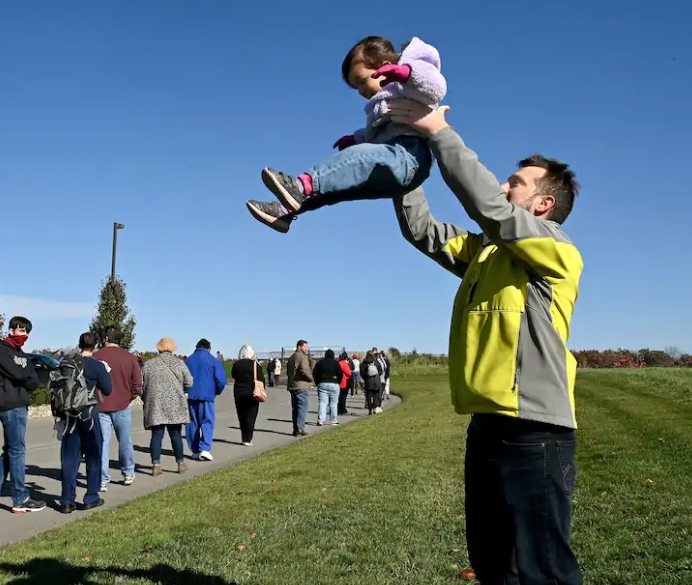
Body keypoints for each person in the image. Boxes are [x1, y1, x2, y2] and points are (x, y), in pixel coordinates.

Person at [388, 99, 584, 584]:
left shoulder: (556, 249)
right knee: (494, 563)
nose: (503, 185)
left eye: (516, 183)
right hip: (486, 428)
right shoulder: (485, 253)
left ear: (543, 204)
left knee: (542, 569)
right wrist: (402, 166)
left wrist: (438, 129)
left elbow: (489, 207)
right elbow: (423, 231)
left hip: (535, 431)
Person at [247, 35, 446, 233]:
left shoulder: (408, 84)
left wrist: (405, 73)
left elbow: (435, 87)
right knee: (336, 186)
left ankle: (300, 185)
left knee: (357, 157)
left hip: (409, 158)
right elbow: (375, 132)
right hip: (392, 169)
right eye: (355, 87)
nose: (359, 91)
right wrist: (356, 138)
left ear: (384, 67)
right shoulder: (381, 105)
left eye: (361, 81)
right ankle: (285, 212)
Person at [0, 316, 45, 514]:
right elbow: (17, 374)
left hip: (21, 403)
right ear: (10, 330)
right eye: (19, 330)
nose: (22, 334)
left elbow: (34, 381)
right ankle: (20, 497)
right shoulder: (0, 350)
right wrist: (23, 375)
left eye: (26, 331)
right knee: (17, 451)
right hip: (9, 405)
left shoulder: (22, 354)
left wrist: (23, 375)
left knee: (11, 450)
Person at [56, 332, 112, 514]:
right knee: (93, 456)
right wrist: (105, 371)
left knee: (70, 458)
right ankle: (91, 496)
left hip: (68, 415)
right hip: (88, 413)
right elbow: (108, 390)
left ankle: (66, 500)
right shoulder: (97, 366)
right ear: (95, 346)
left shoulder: (67, 364)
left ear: (79, 344)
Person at [94, 326, 142, 489]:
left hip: (100, 405)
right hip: (122, 403)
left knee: (102, 442)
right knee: (125, 440)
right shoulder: (129, 357)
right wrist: (132, 396)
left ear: (106, 338)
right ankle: (128, 472)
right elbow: (137, 382)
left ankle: (102, 478)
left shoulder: (96, 356)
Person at [141, 338, 192, 475]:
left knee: (157, 435)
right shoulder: (179, 363)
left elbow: (142, 385)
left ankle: (156, 465)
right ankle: (180, 463)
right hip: (174, 403)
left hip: (155, 403)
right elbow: (189, 382)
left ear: (159, 348)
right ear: (172, 349)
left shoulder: (148, 364)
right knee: (175, 434)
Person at [184, 339, 227, 461]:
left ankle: (195, 449)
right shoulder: (212, 360)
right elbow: (221, 379)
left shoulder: (188, 360)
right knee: (207, 421)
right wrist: (216, 391)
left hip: (191, 396)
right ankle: (205, 448)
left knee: (192, 423)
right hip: (207, 396)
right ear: (208, 348)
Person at [230, 345, 264, 445]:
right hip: (252, 392)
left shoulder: (236, 364)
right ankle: (248, 438)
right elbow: (261, 378)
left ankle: (243, 436)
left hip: (239, 393)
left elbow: (233, 375)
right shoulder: (255, 364)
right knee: (251, 415)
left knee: (241, 415)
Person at [286, 340, 313, 436]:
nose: (306, 349)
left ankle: (295, 428)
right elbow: (304, 370)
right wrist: (311, 378)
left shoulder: (292, 357)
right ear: (299, 347)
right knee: (303, 407)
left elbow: (288, 371)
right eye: (305, 347)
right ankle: (300, 427)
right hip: (301, 386)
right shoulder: (302, 357)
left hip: (293, 386)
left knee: (295, 408)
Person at [313, 349, 343, 426]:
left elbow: (314, 373)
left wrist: (317, 382)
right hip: (334, 384)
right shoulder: (335, 363)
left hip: (322, 383)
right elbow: (340, 374)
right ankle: (333, 420)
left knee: (323, 403)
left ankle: (321, 420)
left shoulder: (320, 363)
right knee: (333, 403)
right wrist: (338, 382)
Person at [337, 351, 353, 416]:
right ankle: (342, 409)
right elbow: (349, 373)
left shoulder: (338, 363)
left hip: (338, 382)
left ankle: (339, 409)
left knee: (339, 397)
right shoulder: (344, 364)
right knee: (343, 397)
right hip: (344, 382)